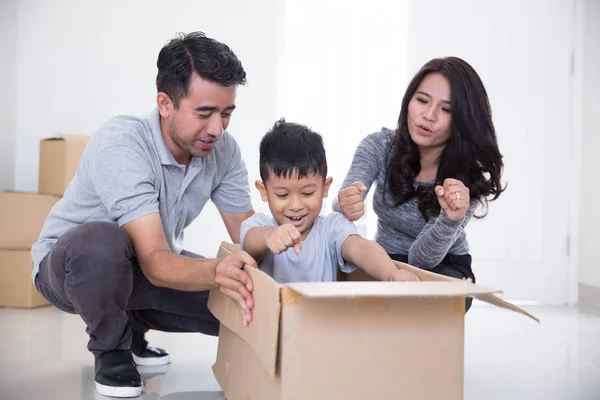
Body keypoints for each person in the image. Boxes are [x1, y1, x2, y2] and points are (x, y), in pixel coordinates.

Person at [31, 32, 259, 398]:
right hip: (73, 268)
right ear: (165, 103)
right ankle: (112, 351)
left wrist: (294, 241)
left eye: (226, 113)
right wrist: (216, 271)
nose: (217, 128)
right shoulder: (122, 142)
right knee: (103, 242)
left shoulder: (223, 150)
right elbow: (154, 260)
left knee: (248, 308)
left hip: (147, 263)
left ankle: (132, 324)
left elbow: (248, 233)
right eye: (204, 113)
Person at [334, 57, 505, 312]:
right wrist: (344, 202)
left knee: (427, 303)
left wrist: (450, 219)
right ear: (408, 101)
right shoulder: (378, 146)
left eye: (446, 110)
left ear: (463, 120)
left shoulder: (466, 180)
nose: (428, 115)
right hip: (386, 259)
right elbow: (341, 207)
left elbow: (421, 259)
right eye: (422, 100)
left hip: (444, 266)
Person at [239, 119, 418, 307]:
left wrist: (391, 273)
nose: (295, 205)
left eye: (307, 193)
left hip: (321, 325)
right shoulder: (260, 225)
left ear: (325, 188)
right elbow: (250, 242)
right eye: (282, 195)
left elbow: (360, 248)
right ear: (263, 191)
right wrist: (271, 236)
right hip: (275, 329)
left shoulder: (332, 227)